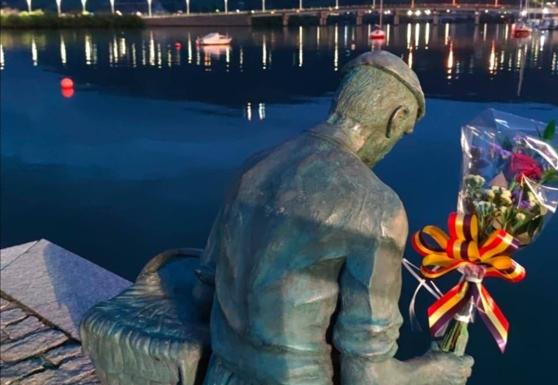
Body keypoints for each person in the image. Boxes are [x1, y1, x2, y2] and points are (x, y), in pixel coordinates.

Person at [194, 50, 473, 385]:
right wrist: (435, 370)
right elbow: (367, 378)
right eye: (404, 131)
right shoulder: (377, 208)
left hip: (220, 374)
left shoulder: (255, 165)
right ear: (396, 119)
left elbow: (203, 293)